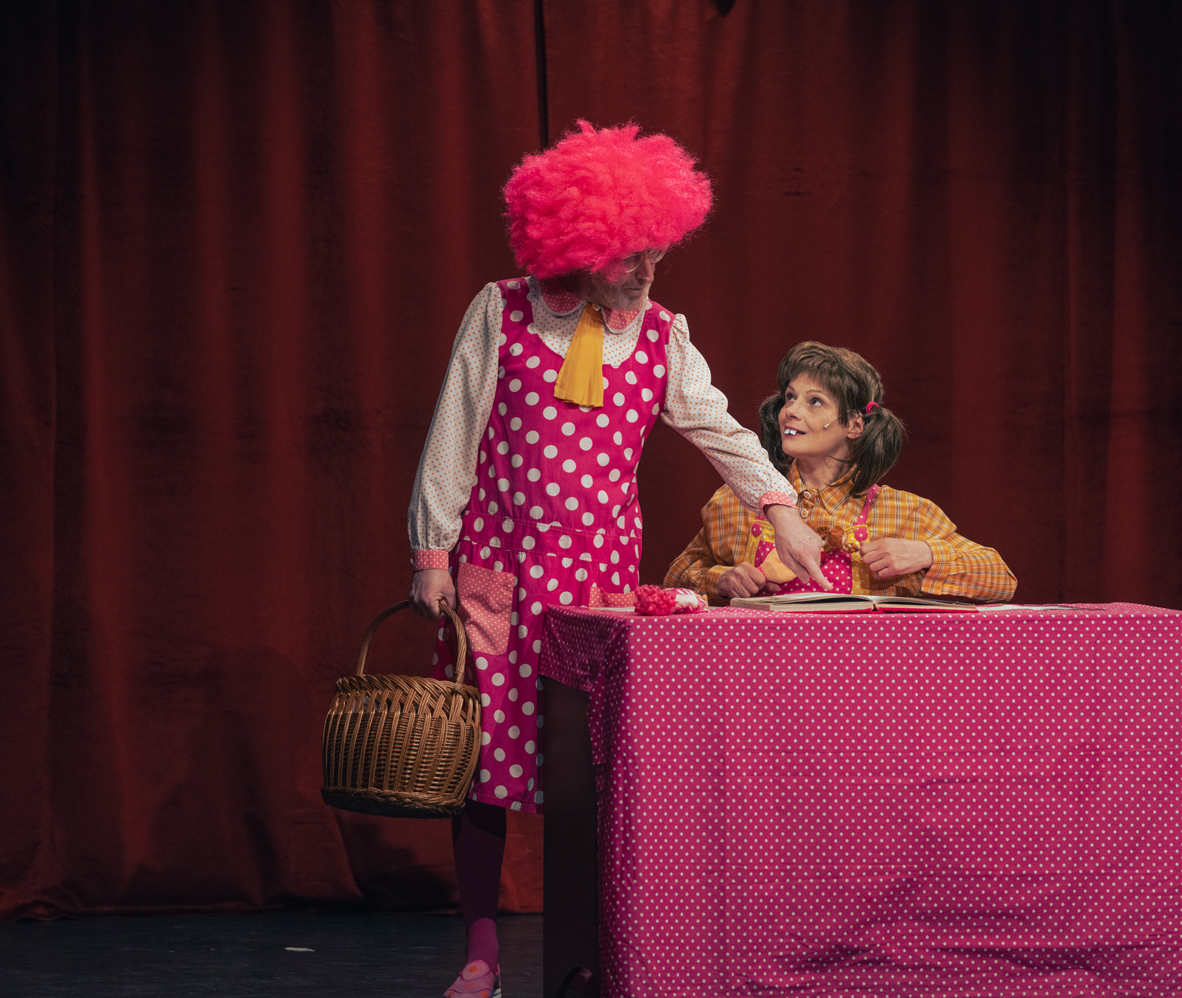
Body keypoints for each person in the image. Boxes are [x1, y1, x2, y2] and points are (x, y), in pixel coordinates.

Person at [405, 121, 829, 998]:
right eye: (627, 256)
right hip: (498, 571)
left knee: (592, 768)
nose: (644, 272)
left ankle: (592, 945)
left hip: (597, 584)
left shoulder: (661, 335)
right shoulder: (503, 310)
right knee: (482, 762)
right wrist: (431, 550)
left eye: (654, 254)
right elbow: (455, 429)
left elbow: (714, 424)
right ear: (577, 245)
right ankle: (480, 953)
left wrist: (779, 506)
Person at [665, 341, 1017, 602]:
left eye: (814, 401)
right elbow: (674, 579)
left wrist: (926, 554)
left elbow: (1001, 578)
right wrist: (719, 580)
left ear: (854, 424)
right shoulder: (736, 501)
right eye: (790, 397)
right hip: (763, 670)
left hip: (862, 673)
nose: (790, 411)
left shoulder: (906, 512)